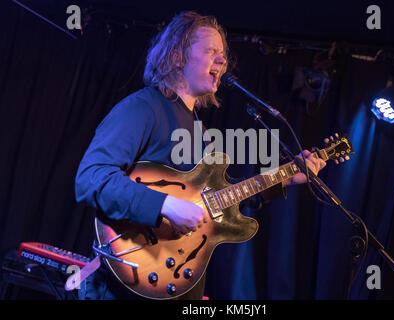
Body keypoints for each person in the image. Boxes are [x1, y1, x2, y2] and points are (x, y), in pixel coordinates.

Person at [74, 11, 326, 300]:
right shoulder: (143, 108)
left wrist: (288, 177)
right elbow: (91, 178)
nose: (222, 60)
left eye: (223, 54)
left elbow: (221, 201)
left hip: (180, 282)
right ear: (177, 56)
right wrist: (165, 204)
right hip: (128, 280)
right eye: (211, 51)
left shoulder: (200, 132)